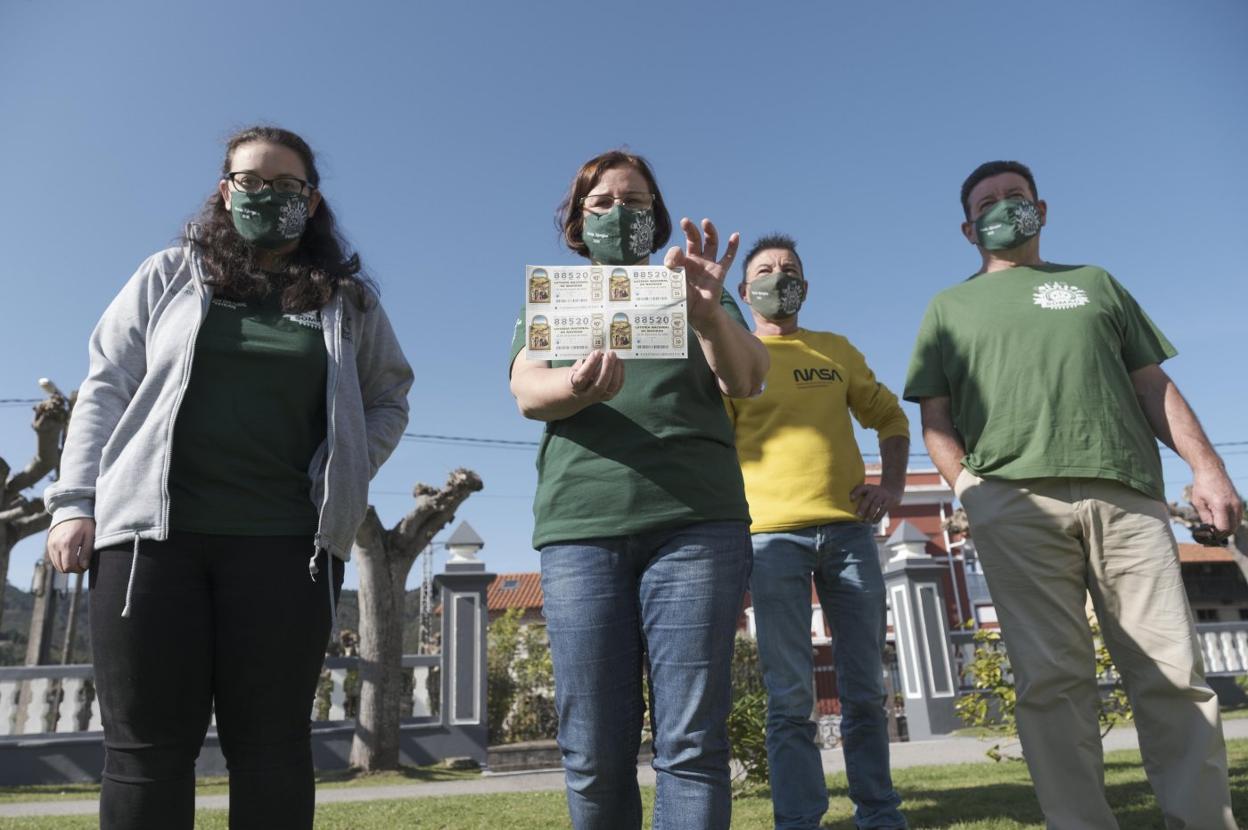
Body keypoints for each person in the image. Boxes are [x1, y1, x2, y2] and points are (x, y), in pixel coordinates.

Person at [43, 126, 413, 830]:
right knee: (146, 751)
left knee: (272, 750)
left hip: (289, 548)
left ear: (312, 200)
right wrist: (73, 502)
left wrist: (345, 468)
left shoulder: (347, 301)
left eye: (287, 185)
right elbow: (106, 387)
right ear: (225, 190)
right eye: (251, 181)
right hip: (149, 545)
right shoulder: (167, 275)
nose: (267, 195)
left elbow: (389, 397)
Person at [904, 160, 1242, 828]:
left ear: (1043, 209)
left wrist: (1208, 469)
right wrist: (970, 490)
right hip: (1013, 505)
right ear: (968, 228)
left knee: (1173, 674)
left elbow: (1153, 385)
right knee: (1051, 683)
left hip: (1127, 495)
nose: (1004, 208)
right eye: (987, 203)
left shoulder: (1095, 283)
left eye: (1016, 196)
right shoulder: (948, 307)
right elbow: (935, 420)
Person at [508, 149, 769, 829]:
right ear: (577, 220)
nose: (620, 212)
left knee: (692, 744)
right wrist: (575, 385)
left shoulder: (693, 287)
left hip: (697, 524)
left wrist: (710, 318)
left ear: (657, 216)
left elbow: (747, 378)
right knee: (593, 748)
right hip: (580, 527)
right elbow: (527, 391)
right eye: (603, 202)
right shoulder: (554, 298)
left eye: (636, 201)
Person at [726, 234, 909, 830]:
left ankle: (879, 814)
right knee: (790, 698)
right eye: (765, 270)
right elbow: (713, 447)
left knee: (865, 690)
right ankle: (799, 821)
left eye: (789, 269)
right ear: (743, 290)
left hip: (849, 533)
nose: (778, 278)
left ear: (805, 285)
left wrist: (892, 487)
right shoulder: (735, 358)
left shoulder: (835, 350)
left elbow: (890, 417)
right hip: (769, 539)